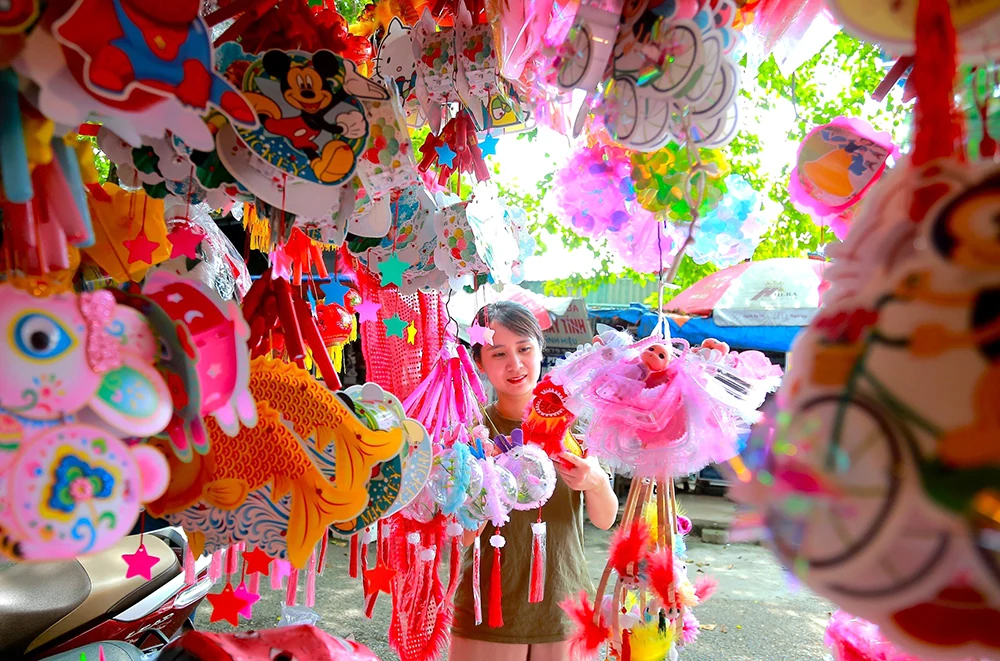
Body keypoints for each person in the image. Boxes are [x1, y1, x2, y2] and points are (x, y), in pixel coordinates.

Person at [450, 301, 619, 661]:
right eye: (498, 353)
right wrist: (485, 493)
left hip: (565, 607)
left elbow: (605, 519)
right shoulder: (469, 432)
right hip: (488, 611)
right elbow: (462, 537)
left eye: (524, 348)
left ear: (541, 349)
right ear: (479, 363)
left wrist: (595, 481)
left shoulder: (573, 423)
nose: (515, 364)